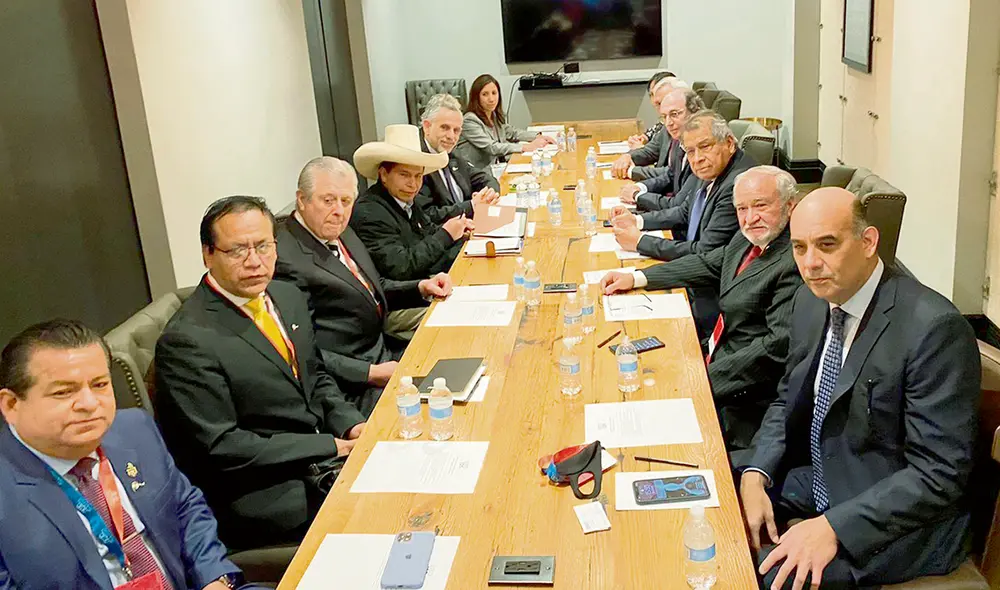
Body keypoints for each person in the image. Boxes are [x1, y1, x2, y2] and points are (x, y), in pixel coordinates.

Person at [739, 188, 979, 588]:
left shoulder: (933, 328)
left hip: (898, 520)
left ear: (868, 242)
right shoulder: (810, 301)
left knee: (759, 575)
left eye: (827, 245)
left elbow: (938, 473)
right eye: (799, 247)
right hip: (824, 477)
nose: (810, 263)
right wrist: (755, 472)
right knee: (715, 495)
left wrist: (833, 526)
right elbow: (787, 398)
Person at [154, 196, 367, 550]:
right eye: (238, 250)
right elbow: (223, 446)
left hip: (322, 456)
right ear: (208, 254)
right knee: (379, 514)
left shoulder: (286, 295)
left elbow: (316, 377)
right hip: (263, 490)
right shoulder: (186, 340)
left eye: (264, 246)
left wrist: (352, 425)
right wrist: (331, 446)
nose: (254, 261)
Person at [0, 319, 257, 589]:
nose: (89, 404)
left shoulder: (135, 429)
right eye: (64, 392)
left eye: (100, 384)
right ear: (11, 405)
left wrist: (215, 578)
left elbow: (186, 508)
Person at [601, 167, 803, 450]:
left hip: (745, 394)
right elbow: (709, 263)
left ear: (789, 205)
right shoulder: (748, 238)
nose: (750, 218)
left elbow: (774, 348)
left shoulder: (795, 259)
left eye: (761, 206)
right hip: (714, 353)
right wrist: (637, 277)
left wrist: (699, 381)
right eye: (742, 208)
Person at [275, 157, 453, 416]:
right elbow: (299, 348)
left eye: (346, 201)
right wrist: (370, 373)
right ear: (302, 200)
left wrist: (420, 287)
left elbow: (370, 288)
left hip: (383, 349)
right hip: (350, 383)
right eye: (328, 200)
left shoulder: (341, 230)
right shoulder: (284, 257)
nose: (339, 210)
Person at [610, 110, 755, 262]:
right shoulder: (713, 166)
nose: (697, 158)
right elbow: (684, 212)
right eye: (691, 151)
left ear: (729, 144)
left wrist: (640, 242)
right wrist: (637, 221)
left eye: (705, 146)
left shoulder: (737, 185)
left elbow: (705, 252)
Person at [351, 124, 476, 281]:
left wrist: (458, 229)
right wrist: (446, 234)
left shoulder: (405, 199)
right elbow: (401, 267)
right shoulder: (370, 212)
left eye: (418, 176)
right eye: (404, 175)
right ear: (383, 175)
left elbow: (427, 230)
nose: (413, 184)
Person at [416, 93, 501, 224]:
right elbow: (428, 215)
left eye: (456, 130)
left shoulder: (451, 152)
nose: (451, 136)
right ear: (427, 126)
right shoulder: (416, 161)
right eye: (444, 128)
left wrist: (488, 194)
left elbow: (484, 178)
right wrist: (472, 206)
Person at [616, 87, 704, 198]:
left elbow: (680, 205)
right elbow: (671, 176)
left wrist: (637, 195)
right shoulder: (679, 138)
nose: (668, 123)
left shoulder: (699, 147)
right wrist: (641, 187)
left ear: (694, 112)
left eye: (674, 114)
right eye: (664, 117)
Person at [456, 73, 554, 170]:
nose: (491, 99)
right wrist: (526, 147)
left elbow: (512, 133)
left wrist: (538, 136)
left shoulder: (493, 115)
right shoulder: (469, 120)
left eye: (494, 93)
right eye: (485, 94)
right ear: (476, 97)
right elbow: (492, 147)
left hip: (497, 167)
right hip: (477, 173)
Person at [612, 77, 691, 180]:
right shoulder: (667, 125)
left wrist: (631, 171)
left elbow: (673, 174)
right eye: (658, 104)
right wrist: (627, 156)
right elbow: (650, 151)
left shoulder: (693, 134)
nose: (661, 108)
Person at [625, 70, 677, 148]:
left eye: (658, 93)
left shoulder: (679, 124)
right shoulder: (661, 125)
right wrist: (643, 139)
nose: (655, 100)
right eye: (652, 94)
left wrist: (640, 148)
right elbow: (652, 135)